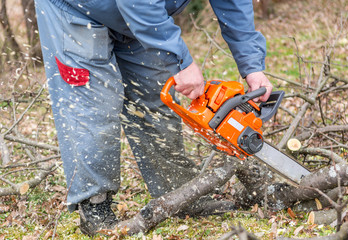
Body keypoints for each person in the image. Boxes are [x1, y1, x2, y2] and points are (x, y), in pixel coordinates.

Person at [34, 0, 273, 236]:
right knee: (94, 106)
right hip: (79, 11)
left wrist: (252, 65)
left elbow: (232, 2)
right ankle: (94, 205)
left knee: (156, 93)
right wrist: (181, 61)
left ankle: (177, 192)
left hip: (139, 16)